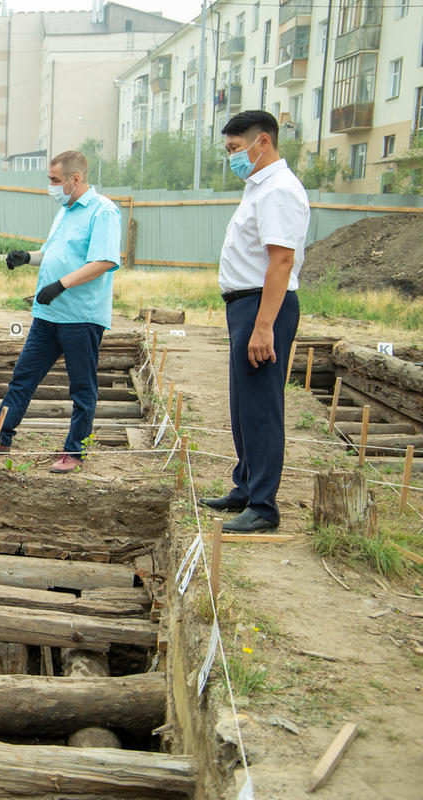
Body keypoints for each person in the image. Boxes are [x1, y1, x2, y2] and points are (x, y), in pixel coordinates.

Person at [0, 150, 121, 474]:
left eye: (54, 180)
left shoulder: (103, 211)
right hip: (48, 314)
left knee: (82, 387)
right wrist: (27, 258)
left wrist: (60, 285)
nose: (50, 185)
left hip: (81, 316)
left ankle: (74, 452)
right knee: (23, 377)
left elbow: (103, 261)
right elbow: (51, 252)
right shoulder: (65, 211)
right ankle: (0, 437)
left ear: (75, 179)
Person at [199, 110, 309, 532]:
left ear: (262, 142)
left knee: (261, 407)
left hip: (265, 306)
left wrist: (264, 326)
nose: (231, 157)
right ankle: (245, 488)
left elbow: (281, 260)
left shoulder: (279, 190)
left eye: (234, 149)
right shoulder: (258, 187)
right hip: (246, 305)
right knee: (243, 404)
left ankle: (264, 506)